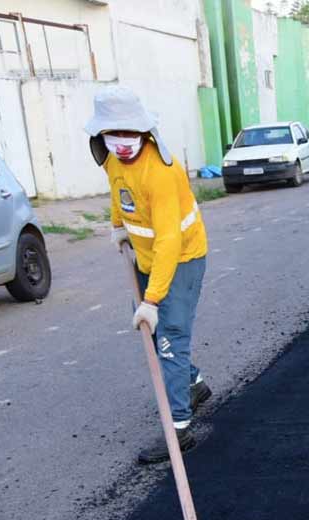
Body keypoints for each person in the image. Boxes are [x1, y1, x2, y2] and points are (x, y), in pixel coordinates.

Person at [84, 86, 211, 465]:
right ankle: (194, 385)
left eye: (129, 133)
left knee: (169, 337)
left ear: (144, 131)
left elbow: (170, 241)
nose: (122, 143)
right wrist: (118, 225)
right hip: (145, 259)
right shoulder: (112, 160)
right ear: (101, 135)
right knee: (154, 333)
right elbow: (117, 190)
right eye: (114, 134)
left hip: (182, 258)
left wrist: (152, 299)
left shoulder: (160, 172)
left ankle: (180, 429)